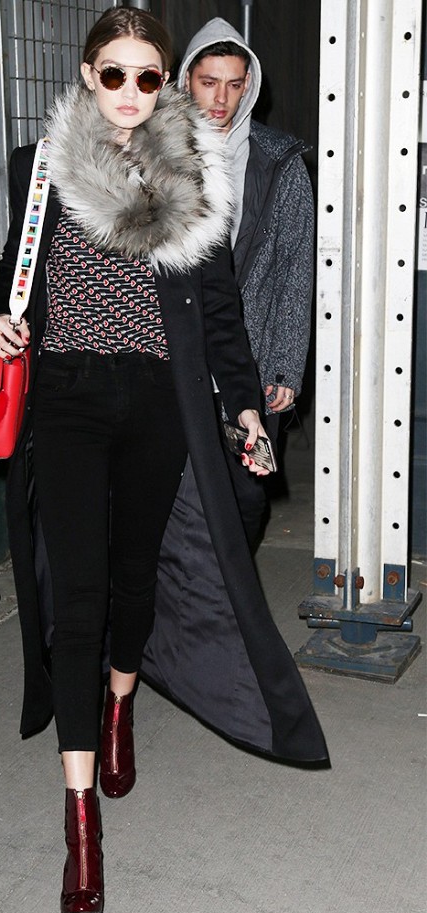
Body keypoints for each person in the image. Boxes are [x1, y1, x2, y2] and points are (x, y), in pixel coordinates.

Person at [0, 7, 328, 913]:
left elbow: (220, 312)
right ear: (88, 75)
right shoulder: (42, 167)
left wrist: (245, 405)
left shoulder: (192, 173)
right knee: (79, 598)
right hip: (68, 400)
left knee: (136, 578)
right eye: (114, 74)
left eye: (147, 77)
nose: (131, 93)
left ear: (162, 83)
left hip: (160, 404)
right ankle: (81, 822)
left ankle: (121, 702)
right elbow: (9, 275)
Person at [178, 18, 315, 550]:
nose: (221, 98)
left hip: (251, 362)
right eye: (209, 82)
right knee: (177, 498)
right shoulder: (157, 153)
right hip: (175, 360)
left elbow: (294, 270)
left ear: (249, 85)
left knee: (246, 496)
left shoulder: (279, 162)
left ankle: (229, 591)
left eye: (234, 84)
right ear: (185, 81)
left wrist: (284, 366)